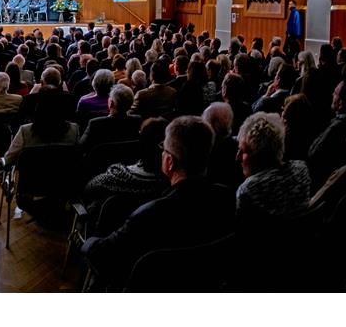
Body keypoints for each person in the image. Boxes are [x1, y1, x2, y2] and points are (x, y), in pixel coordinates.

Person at [80, 116, 235, 291]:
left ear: (169, 161)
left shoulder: (148, 215)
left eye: (163, 148)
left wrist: (88, 243)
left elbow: (103, 256)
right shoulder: (228, 198)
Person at [235, 112, 311, 227]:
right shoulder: (302, 169)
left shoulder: (247, 190)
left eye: (243, 151)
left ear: (260, 155)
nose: (237, 157)